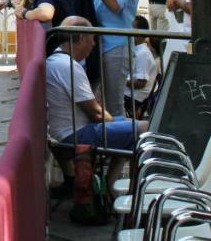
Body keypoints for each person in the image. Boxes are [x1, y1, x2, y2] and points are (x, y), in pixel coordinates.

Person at [46, 16, 147, 163]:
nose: (93, 44)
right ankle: (133, 182)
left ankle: (113, 183)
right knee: (145, 128)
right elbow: (97, 113)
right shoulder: (68, 66)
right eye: (92, 39)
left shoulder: (57, 61)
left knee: (130, 124)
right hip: (74, 135)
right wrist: (112, 122)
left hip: (71, 132)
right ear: (81, 38)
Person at [124, 15, 161, 119]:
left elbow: (141, 83)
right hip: (130, 95)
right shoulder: (137, 50)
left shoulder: (142, 53)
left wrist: (120, 81)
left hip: (133, 98)